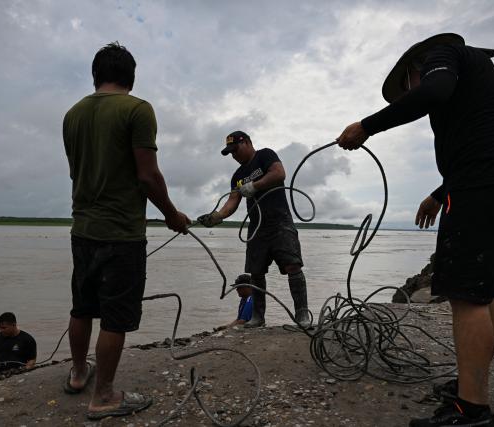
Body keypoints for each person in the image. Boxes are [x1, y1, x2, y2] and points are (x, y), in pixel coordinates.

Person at [337, 33, 494, 427]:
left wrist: (367, 126)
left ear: (414, 70)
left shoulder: (444, 55)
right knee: (489, 292)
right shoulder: (483, 78)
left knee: (466, 295)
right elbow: (486, 142)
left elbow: (434, 92)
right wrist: (439, 192)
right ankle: (471, 387)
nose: (406, 98)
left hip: (484, 185)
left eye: (404, 91)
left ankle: (472, 411)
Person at [62, 42, 190, 421]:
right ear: (131, 77)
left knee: (82, 306)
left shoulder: (72, 114)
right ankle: (103, 396)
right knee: (116, 317)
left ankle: (78, 373)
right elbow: (147, 175)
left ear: (95, 75)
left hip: (82, 228)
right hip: (121, 233)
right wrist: (171, 214)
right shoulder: (137, 110)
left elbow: (77, 171)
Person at [198, 131, 310, 329]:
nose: (234, 155)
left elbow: (279, 173)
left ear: (247, 142)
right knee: (256, 272)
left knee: (293, 266)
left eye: (236, 149)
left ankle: (302, 317)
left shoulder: (265, 155)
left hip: (280, 222)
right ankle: (258, 317)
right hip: (257, 226)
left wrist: (254, 186)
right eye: (230, 153)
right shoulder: (237, 176)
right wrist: (216, 217)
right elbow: (232, 202)